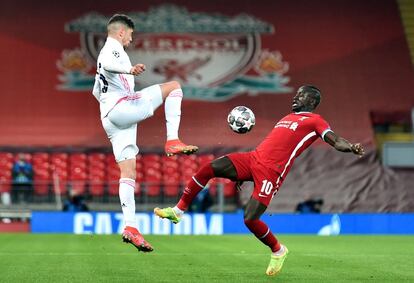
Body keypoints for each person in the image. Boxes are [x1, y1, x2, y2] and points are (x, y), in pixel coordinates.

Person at [154, 85, 364, 276]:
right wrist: (242, 174)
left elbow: (334, 140)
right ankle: (178, 211)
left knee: (250, 219)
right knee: (208, 168)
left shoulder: (315, 121)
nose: (295, 97)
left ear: (312, 101)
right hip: (253, 159)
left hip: (271, 173)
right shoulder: (287, 117)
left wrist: (351, 147)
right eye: (296, 94)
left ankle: (278, 250)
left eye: (301, 95)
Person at [92, 14, 198, 253]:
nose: (130, 40)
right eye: (130, 35)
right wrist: (128, 69)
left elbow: (97, 90)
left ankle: (130, 227)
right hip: (121, 108)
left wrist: (109, 105)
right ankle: (172, 140)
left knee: (128, 172)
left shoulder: (110, 51)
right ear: (121, 32)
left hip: (111, 118)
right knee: (174, 87)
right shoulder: (113, 48)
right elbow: (109, 63)